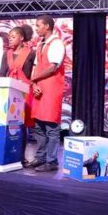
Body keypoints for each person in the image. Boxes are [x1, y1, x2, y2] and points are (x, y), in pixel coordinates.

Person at [28, 14, 66, 172]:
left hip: (51, 89)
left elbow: (52, 67)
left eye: (38, 25)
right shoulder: (40, 44)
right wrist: (34, 83)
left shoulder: (56, 43)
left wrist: (33, 79)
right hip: (39, 89)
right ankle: (41, 157)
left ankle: (52, 161)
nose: (36, 28)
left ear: (47, 26)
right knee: (38, 126)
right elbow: (36, 67)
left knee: (51, 126)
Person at [4, 26, 36, 167]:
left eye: (13, 36)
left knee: (22, 125)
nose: (10, 39)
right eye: (9, 37)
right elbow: (2, 73)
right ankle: (7, 153)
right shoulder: (7, 54)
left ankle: (21, 156)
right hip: (9, 91)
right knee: (8, 124)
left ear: (21, 38)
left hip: (24, 92)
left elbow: (33, 73)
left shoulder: (31, 53)